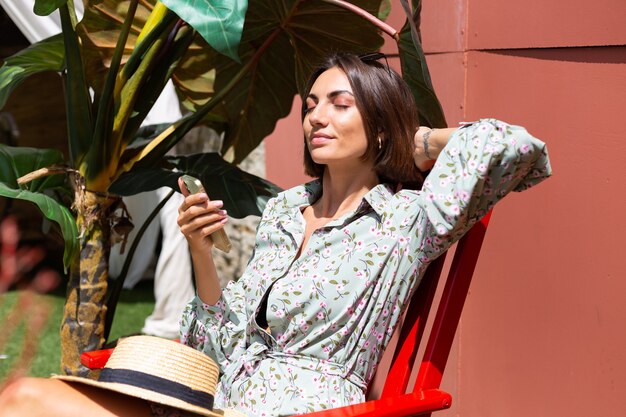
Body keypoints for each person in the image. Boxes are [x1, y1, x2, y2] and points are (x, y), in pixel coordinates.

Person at [0, 52, 551, 417]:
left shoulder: (406, 222)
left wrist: (413, 139)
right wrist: (201, 253)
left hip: (307, 409)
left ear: (379, 124)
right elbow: (215, 342)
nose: (316, 117)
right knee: (23, 397)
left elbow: (516, 146)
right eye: (311, 106)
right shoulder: (287, 211)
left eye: (340, 104)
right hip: (217, 397)